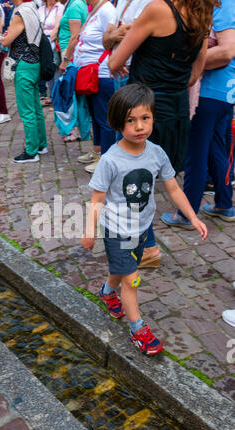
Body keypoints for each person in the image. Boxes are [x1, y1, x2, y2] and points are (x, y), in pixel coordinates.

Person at [81, 84, 207, 355]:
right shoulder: (110, 160)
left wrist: (192, 216)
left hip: (141, 228)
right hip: (116, 230)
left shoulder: (156, 153)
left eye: (145, 118)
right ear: (117, 121)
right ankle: (138, 329)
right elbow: (97, 199)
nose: (139, 126)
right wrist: (89, 230)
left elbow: (172, 187)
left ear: (152, 117)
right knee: (132, 279)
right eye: (131, 120)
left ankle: (106, 292)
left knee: (122, 268)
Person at [108, 0, 217, 268]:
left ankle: (146, 247)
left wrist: (117, 64)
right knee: (148, 180)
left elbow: (116, 60)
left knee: (127, 180)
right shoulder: (202, 13)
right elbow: (194, 74)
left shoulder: (158, 9)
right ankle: (144, 244)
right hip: (175, 111)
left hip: (143, 110)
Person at [161, 0, 235, 227]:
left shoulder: (225, 5)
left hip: (210, 92)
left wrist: (183, 65)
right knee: (215, 148)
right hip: (224, 93)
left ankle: (186, 213)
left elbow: (227, 51)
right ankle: (224, 204)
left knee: (196, 152)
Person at [1, 0, 47, 163]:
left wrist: (2, 36)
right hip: (34, 63)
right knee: (35, 107)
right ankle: (41, 144)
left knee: (27, 110)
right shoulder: (32, 9)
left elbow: (6, 41)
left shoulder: (20, 13)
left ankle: (31, 151)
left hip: (23, 65)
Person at [74, 0, 117, 174]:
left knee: (104, 117)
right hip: (91, 72)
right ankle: (98, 150)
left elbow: (112, 40)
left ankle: (106, 159)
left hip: (102, 72)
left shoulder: (107, 10)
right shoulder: (95, 10)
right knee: (95, 114)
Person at [58, 0, 88, 142]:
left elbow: (75, 37)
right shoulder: (74, 4)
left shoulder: (75, 6)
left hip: (71, 55)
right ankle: (81, 130)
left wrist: (66, 59)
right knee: (76, 95)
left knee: (74, 96)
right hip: (70, 53)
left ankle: (78, 131)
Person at [38, 0, 64, 105]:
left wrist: (51, 39)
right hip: (43, 42)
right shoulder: (40, 8)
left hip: (54, 42)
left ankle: (57, 98)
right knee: (47, 69)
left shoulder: (59, 7)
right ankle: (52, 96)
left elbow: (57, 26)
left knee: (56, 70)